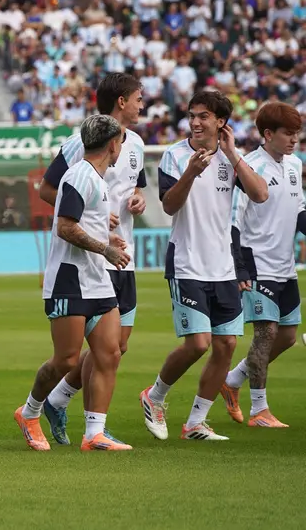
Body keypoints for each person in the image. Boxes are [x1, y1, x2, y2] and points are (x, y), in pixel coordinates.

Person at [141, 90, 268, 442]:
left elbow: (259, 194)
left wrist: (231, 154)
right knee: (198, 344)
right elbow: (169, 205)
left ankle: (196, 422)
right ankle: (155, 397)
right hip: (186, 262)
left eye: (204, 117)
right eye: (192, 115)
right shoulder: (175, 155)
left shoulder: (231, 157)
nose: (195, 122)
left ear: (220, 122)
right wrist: (192, 173)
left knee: (226, 345)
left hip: (224, 267)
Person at [36, 73, 146, 445]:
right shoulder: (78, 148)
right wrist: (89, 214)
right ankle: (58, 407)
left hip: (120, 256)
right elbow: (49, 190)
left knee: (115, 349)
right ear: (120, 102)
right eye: (137, 98)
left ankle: (75, 413)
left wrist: (137, 203)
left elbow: (135, 188)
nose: (141, 105)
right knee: (79, 354)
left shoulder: (139, 145)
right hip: (88, 258)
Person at [14, 114, 132, 452]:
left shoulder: (98, 178)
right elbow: (65, 226)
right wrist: (106, 248)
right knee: (66, 360)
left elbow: (83, 223)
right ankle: (30, 411)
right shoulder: (79, 176)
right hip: (70, 279)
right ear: (113, 144)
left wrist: (107, 238)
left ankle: (95, 433)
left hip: (97, 280)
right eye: (121, 141)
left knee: (109, 353)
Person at [220, 102, 304, 428]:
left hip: (286, 265)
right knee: (266, 333)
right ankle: (259, 411)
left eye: (297, 133)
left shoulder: (295, 164)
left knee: (287, 337)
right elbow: (234, 222)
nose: (294, 139)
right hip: (257, 263)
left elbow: (300, 212)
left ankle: (233, 380)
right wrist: (239, 267)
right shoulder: (249, 167)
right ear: (268, 134)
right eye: (288, 133)